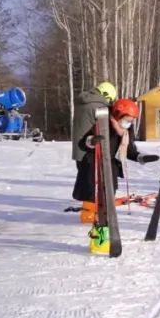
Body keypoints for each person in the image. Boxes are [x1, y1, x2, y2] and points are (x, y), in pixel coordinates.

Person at [72, 97, 158, 224]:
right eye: (128, 119)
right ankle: (88, 214)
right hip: (94, 162)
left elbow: (129, 150)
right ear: (118, 114)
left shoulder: (125, 131)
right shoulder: (102, 123)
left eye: (132, 120)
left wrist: (141, 157)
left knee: (109, 191)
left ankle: (104, 213)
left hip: (111, 164)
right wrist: (92, 141)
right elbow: (84, 142)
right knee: (92, 190)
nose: (130, 123)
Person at [71, 81, 116, 223]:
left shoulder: (82, 102)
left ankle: (88, 211)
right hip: (91, 148)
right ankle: (89, 215)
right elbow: (104, 126)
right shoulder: (99, 106)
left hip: (79, 148)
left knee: (85, 179)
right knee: (92, 182)